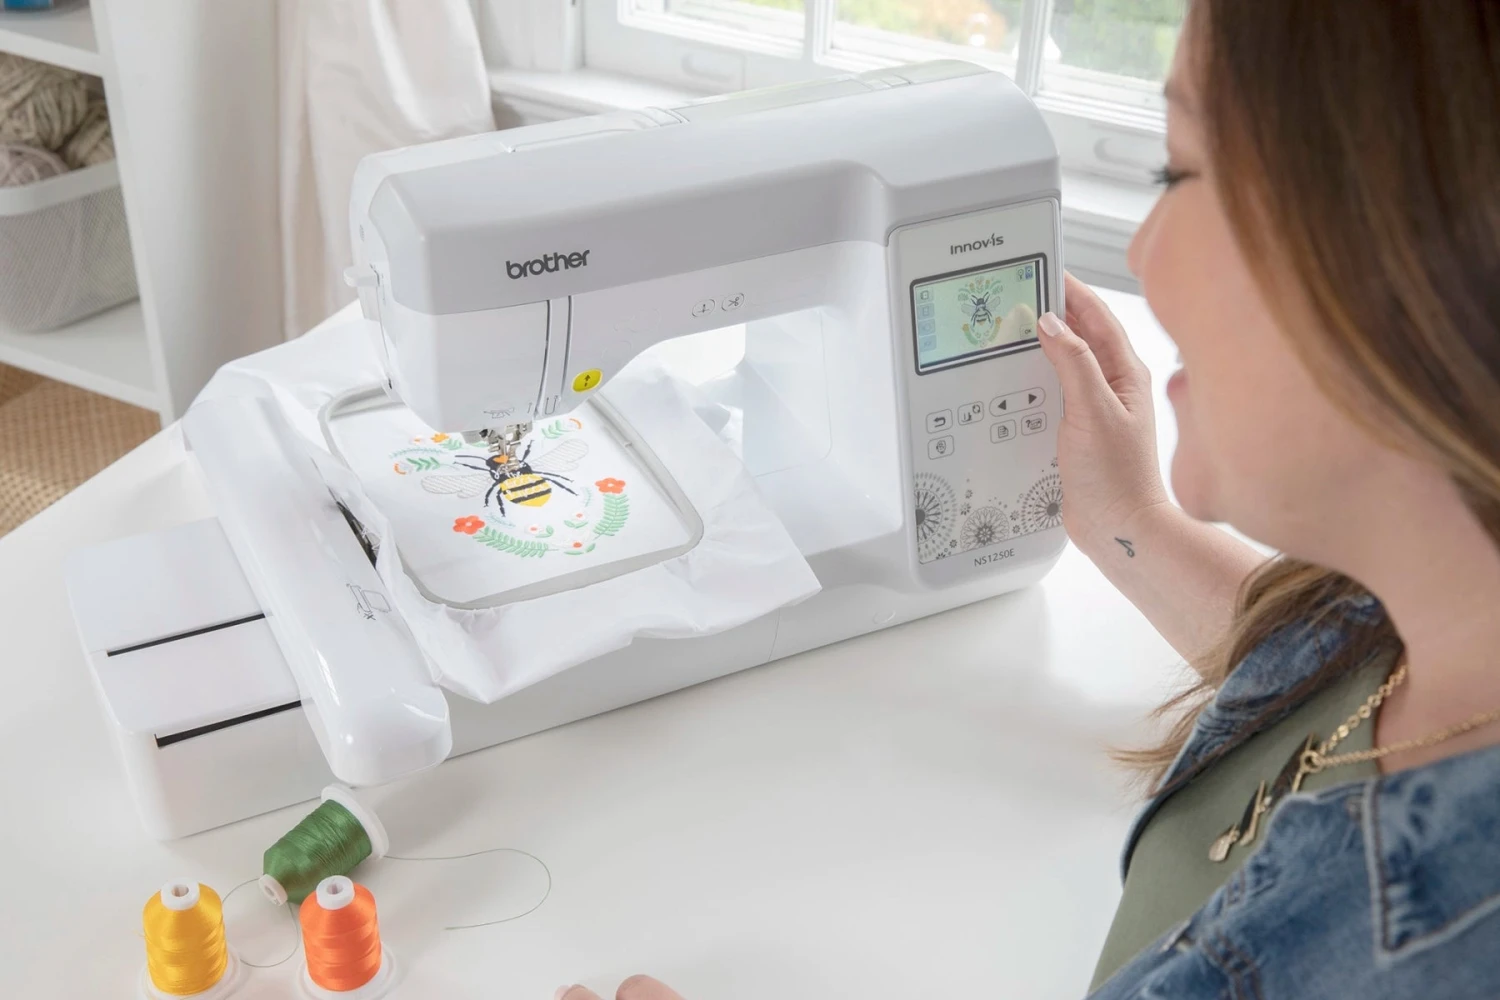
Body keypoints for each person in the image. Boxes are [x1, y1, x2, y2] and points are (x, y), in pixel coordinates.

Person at [553, 1, 1500, 996]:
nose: (1140, 254)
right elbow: (1335, 661)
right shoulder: (1439, 628)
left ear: (1406, 260)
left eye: (1178, 173)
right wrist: (1131, 522)